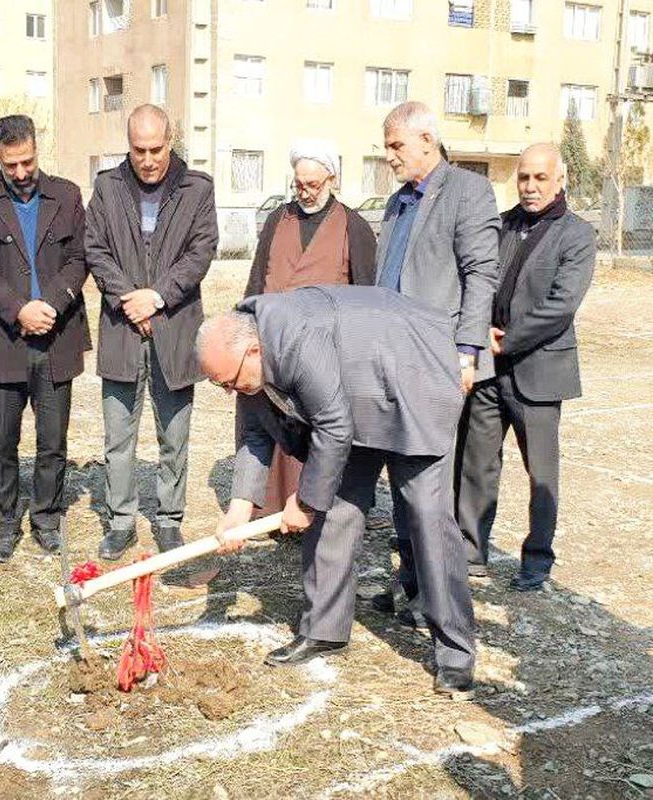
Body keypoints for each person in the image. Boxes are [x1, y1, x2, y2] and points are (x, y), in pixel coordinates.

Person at [198, 286, 477, 699]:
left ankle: (455, 653)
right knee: (337, 504)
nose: (230, 391)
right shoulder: (247, 360)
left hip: (412, 378)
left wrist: (305, 502)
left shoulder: (295, 337)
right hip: (355, 396)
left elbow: (331, 426)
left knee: (426, 514)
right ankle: (324, 629)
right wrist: (240, 509)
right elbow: (255, 433)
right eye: (221, 385)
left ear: (255, 352)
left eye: (231, 381)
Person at [371, 101, 500, 621]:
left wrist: (467, 352)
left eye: (396, 146)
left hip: (440, 361)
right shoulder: (398, 202)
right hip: (393, 360)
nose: (390, 157)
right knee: (401, 482)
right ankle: (412, 588)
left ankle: (438, 599)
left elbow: (481, 275)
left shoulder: (468, 191)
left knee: (428, 487)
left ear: (427, 139)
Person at [456, 144, 595, 592]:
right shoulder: (503, 224)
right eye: (524, 178)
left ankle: (537, 560)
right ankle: (470, 551)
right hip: (490, 371)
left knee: (542, 474)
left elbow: (560, 306)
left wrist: (505, 340)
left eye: (540, 178)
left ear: (560, 180)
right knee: (477, 464)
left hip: (537, 371)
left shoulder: (576, 234)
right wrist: (480, 333)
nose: (530, 187)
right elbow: (476, 279)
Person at [85, 104, 218, 559]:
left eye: (156, 149)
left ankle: (169, 520)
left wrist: (157, 297)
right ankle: (121, 521)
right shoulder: (106, 187)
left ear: (170, 140)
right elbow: (95, 249)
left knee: (173, 435)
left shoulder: (197, 188)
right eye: (138, 150)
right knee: (117, 437)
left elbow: (201, 252)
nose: (147, 160)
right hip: (122, 330)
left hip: (175, 329)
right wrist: (129, 299)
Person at [0, 115, 90, 563]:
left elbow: (80, 258)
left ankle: (47, 518)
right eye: (10, 164)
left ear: (38, 149)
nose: (20, 173)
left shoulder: (68, 195)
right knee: (1, 441)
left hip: (57, 336)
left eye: (27, 161)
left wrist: (50, 304)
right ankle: (4, 524)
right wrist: (19, 309)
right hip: (4, 338)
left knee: (52, 440)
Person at [243, 138, 377, 519]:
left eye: (312, 185)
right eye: (298, 184)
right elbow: (257, 279)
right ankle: (272, 510)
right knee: (275, 422)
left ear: (332, 179)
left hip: (325, 351)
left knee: (318, 426)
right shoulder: (277, 219)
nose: (304, 192)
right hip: (274, 343)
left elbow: (367, 297)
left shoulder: (354, 226)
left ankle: (316, 505)